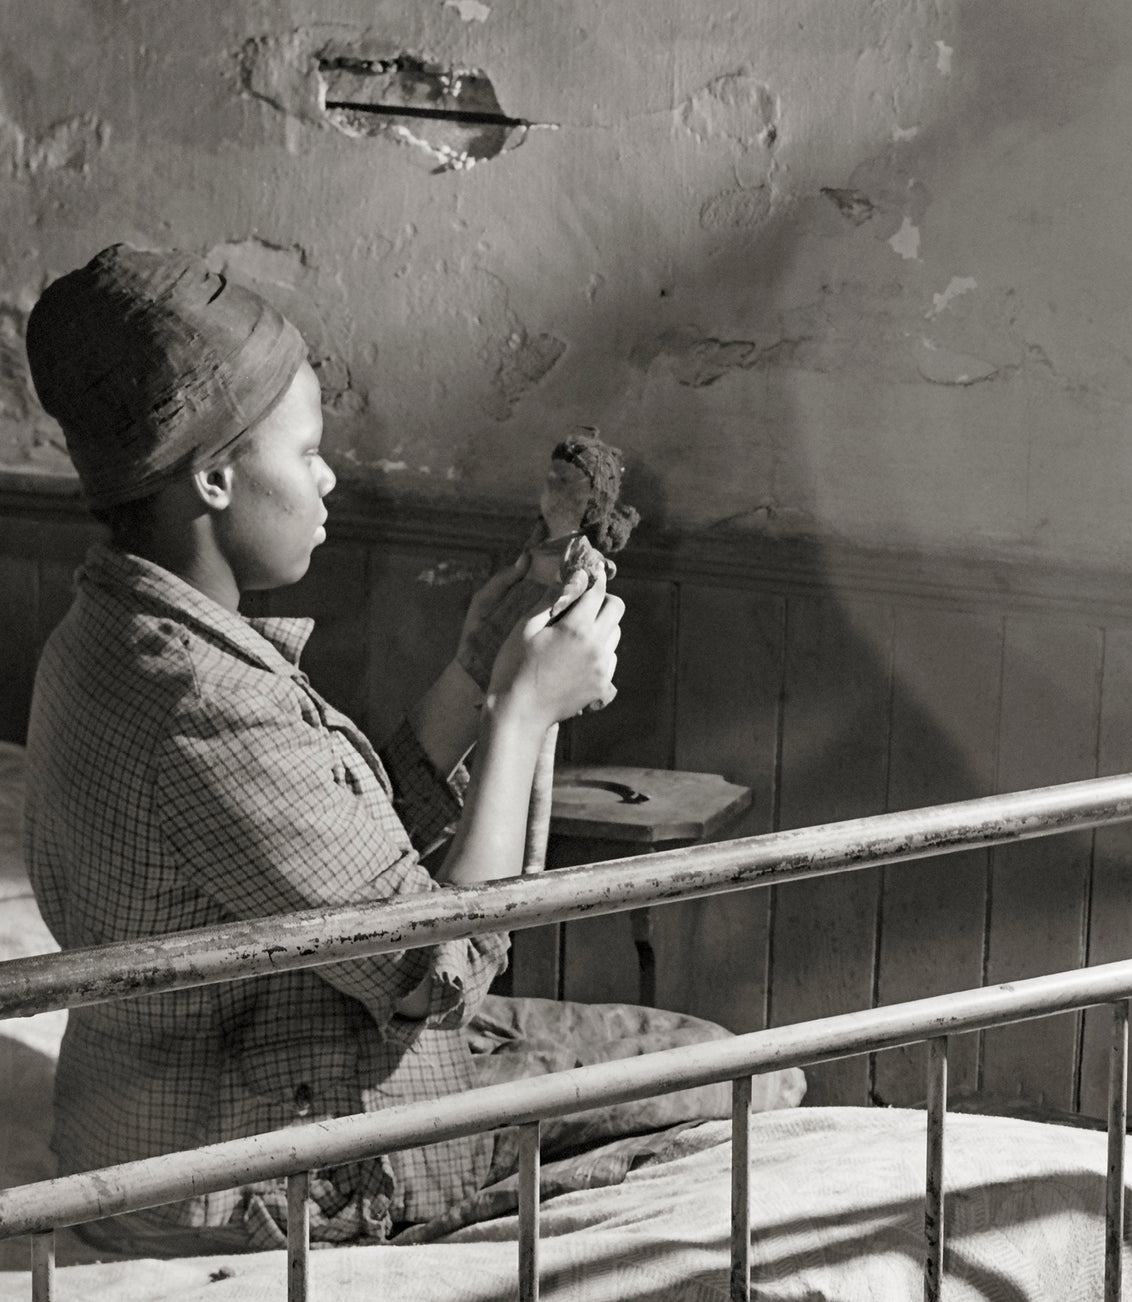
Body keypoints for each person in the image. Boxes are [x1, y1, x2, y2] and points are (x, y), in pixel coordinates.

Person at [21, 245, 802, 1256]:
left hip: (193, 1102)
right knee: (753, 1081)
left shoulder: (118, 631)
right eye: (305, 453)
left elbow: (336, 856)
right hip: (263, 1172)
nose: (327, 475)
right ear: (213, 477)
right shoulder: (201, 707)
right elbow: (440, 969)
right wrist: (523, 717)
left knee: (710, 1060)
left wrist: (475, 676)